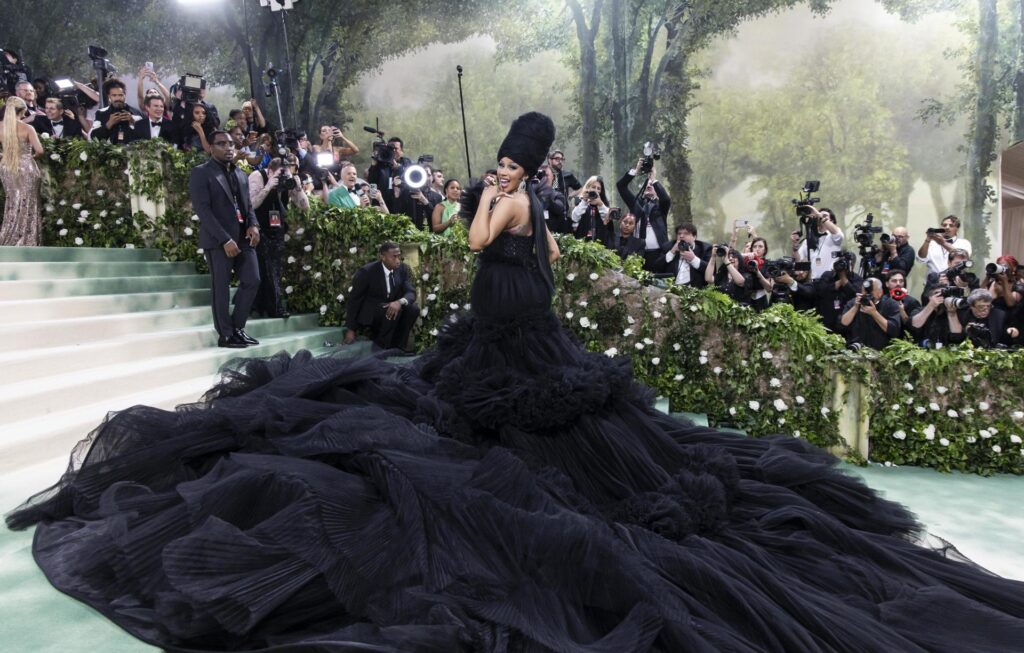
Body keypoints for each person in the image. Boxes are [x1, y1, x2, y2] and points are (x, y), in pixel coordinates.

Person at [7, 111, 1024, 653]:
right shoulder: (510, 195)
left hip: (521, 346)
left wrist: (498, 193)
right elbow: (448, 235)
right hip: (487, 340)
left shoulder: (524, 207)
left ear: (529, 166)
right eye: (499, 155)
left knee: (529, 461)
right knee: (447, 435)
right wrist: (480, 197)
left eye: (510, 157)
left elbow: (477, 233)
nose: (498, 164)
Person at [187, 130, 260, 348]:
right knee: (221, 287)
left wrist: (254, 224)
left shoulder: (240, 173)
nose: (228, 147)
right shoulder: (201, 172)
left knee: (253, 280)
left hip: (244, 238)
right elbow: (203, 210)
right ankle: (225, 335)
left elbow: (247, 205)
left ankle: (237, 328)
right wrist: (225, 240)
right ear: (210, 147)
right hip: (219, 240)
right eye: (221, 144)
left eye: (230, 143)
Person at [249, 156, 308, 319]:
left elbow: (304, 207)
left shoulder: (288, 180)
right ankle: (274, 307)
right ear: (270, 171)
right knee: (265, 268)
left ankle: (263, 305)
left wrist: (297, 187)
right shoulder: (258, 176)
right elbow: (251, 204)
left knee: (275, 268)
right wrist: (268, 186)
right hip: (258, 228)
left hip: (278, 229)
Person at [344, 242, 418, 351]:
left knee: (413, 309)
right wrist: (351, 330)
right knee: (389, 309)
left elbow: (411, 292)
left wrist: (399, 302)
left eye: (399, 256)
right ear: (382, 257)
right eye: (394, 257)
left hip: (391, 309)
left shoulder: (402, 269)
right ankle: (380, 347)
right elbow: (354, 300)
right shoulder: (367, 272)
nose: (398, 260)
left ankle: (398, 347)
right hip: (372, 313)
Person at [0, 96, 44, 246]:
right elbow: (40, 150)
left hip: (7, 166)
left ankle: (9, 237)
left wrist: (5, 155)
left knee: (13, 201)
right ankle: (28, 240)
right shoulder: (28, 128)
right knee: (29, 202)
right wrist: (28, 156)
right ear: (24, 110)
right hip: (26, 167)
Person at [616, 158, 671, 271]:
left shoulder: (660, 208)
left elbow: (665, 200)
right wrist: (635, 171)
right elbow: (621, 186)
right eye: (648, 184)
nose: (650, 185)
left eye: (652, 185)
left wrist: (653, 179)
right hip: (636, 253)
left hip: (658, 254)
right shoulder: (636, 205)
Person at [795, 206, 844, 280]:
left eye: (825, 216)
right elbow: (798, 259)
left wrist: (818, 214)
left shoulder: (834, 236)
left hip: (831, 281)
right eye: (818, 216)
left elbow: (838, 234)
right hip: (815, 283)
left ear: (832, 221)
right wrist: (794, 245)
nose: (820, 217)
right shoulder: (809, 239)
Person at [661, 223, 711, 287]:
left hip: (694, 290)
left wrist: (693, 259)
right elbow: (656, 267)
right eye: (679, 234)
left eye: (686, 233)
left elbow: (711, 271)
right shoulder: (668, 246)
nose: (681, 236)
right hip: (670, 288)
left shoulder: (705, 249)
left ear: (694, 237)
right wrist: (672, 252)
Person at [569, 175, 611, 242]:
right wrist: (584, 201)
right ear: (588, 188)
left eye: (598, 188)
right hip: (582, 241)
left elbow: (608, 220)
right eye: (593, 187)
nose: (596, 190)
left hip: (599, 242)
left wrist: (600, 204)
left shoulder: (603, 203)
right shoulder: (580, 201)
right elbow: (574, 218)